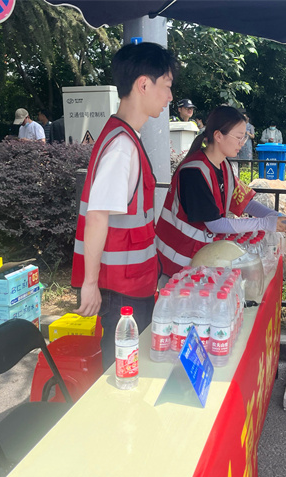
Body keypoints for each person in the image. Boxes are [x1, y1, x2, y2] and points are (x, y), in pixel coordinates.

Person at [71, 42, 178, 371]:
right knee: (123, 371)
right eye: (167, 86)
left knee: (130, 366)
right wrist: (90, 284)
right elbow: (97, 216)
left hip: (132, 282)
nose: (170, 96)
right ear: (144, 84)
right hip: (121, 290)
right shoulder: (122, 145)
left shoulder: (125, 136)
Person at [156, 106, 286, 281]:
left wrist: (277, 217)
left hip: (200, 257)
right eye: (238, 137)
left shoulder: (223, 166)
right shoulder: (194, 172)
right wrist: (266, 223)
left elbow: (246, 202)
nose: (242, 143)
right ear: (218, 136)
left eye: (244, 137)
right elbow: (215, 224)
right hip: (177, 261)